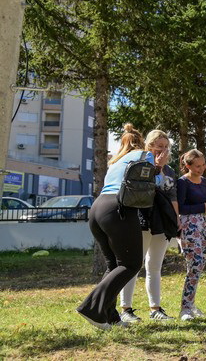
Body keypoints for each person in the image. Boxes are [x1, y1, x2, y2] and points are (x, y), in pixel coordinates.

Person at [76, 124, 153, 330]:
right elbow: (152, 182)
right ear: (141, 142)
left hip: (98, 208)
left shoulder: (115, 161)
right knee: (131, 263)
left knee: (113, 266)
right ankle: (91, 308)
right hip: (118, 208)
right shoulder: (145, 155)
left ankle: (110, 317)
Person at [119, 130, 178, 322]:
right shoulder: (140, 165)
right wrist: (156, 166)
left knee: (154, 266)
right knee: (134, 265)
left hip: (161, 221)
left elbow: (172, 196)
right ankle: (125, 309)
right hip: (141, 218)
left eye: (166, 146)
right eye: (159, 146)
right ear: (149, 146)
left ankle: (155, 309)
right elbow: (141, 189)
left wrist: (176, 220)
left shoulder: (170, 171)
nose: (163, 150)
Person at [177, 149, 206, 321]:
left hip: (204, 225)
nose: (202, 168)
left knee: (198, 266)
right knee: (195, 264)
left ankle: (190, 304)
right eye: (197, 166)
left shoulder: (205, 182)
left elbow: (205, 203)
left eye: (203, 165)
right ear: (188, 166)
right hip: (189, 226)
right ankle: (185, 308)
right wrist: (203, 207)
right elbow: (181, 208)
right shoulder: (183, 183)